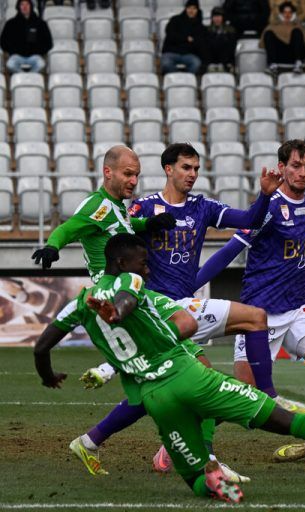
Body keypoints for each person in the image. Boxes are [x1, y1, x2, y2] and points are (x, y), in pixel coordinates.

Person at [33, 233, 305, 503]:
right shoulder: (131, 282)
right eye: (144, 263)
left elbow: (42, 345)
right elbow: (130, 298)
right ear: (121, 263)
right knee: (283, 419)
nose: (147, 270)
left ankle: (217, 483)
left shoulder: (79, 303)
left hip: (154, 400)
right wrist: (119, 310)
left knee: (195, 478)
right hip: (188, 377)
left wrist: (49, 374)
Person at [72, 142, 286, 480]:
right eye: (186, 167)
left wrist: (264, 195)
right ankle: (249, 415)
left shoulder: (202, 207)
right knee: (240, 336)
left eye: (197, 168)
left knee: (168, 389)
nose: (193, 174)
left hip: (183, 309)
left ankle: (93, 440)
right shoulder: (142, 208)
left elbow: (249, 219)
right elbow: (114, 248)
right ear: (168, 169)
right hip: (156, 311)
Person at [194, 139, 305, 476]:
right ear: (281, 167)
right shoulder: (268, 207)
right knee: (242, 400)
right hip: (258, 317)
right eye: (296, 166)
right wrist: (193, 283)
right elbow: (230, 251)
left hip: (297, 310)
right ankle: (188, 445)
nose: (302, 172)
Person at [31, 145, 176, 282]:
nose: (134, 181)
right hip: (113, 288)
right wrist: (52, 247)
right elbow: (66, 229)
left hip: (126, 284)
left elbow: (122, 224)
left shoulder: (114, 204)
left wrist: (149, 223)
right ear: (108, 172)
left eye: (136, 175)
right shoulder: (97, 205)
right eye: (128, 174)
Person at [0, 0, 53, 74]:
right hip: (17, 56)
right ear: (19, 7)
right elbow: (3, 42)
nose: (25, 7)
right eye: (22, 4)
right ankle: (24, 76)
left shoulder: (41, 23)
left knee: (41, 64)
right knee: (10, 64)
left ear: (31, 6)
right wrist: (13, 50)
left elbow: (48, 43)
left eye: (27, 4)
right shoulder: (10, 24)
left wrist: (37, 51)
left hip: (34, 57)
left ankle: (29, 76)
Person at [160, 0, 209, 75]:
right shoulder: (175, 20)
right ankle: (177, 78)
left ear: (197, 10)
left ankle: (186, 79)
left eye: (194, 8)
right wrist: (186, 38)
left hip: (189, 54)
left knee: (196, 64)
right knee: (166, 63)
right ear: (186, 9)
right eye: (189, 8)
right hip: (171, 52)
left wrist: (183, 39)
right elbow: (171, 35)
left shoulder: (200, 26)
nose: (191, 11)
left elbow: (198, 43)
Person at [261, 1, 305, 74]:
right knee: (268, 33)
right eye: (285, 12)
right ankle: (272, 64)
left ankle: (298, 63)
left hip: (292, 55)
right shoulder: (272, 27)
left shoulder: (299, 27)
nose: (287, 15)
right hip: (279, 55)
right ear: (281, 13)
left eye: (289, 12)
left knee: (297, 32)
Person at [206, 6, 238, 72]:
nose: (217, 19)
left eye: (219, 16)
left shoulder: (230, 30)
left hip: (225, 60)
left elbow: (232, 48)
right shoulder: (207, 30)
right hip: (211, 60)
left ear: (223, 17)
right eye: (215, 16)